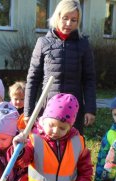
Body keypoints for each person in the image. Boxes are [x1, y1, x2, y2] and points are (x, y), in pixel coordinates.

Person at [25, 0, 96, 134]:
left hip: (73, 111)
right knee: (46, 151)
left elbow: (89, 79)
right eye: (65, 18)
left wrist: (90, 109)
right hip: (48, 110)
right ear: (57, 17)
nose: (69, 23)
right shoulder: (43, 43)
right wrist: (28, 112)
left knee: (72, 150)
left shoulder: (83, 45)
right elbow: (33, 79)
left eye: (74, 20)